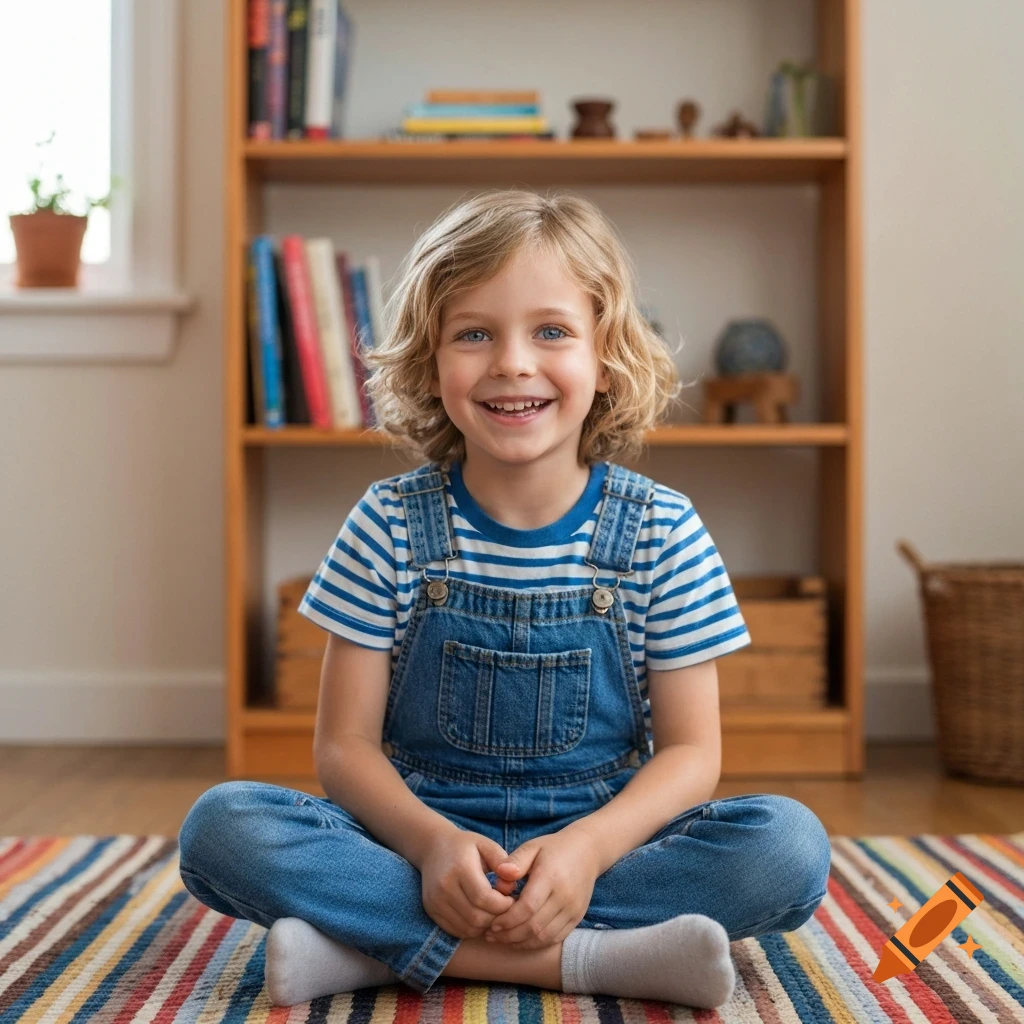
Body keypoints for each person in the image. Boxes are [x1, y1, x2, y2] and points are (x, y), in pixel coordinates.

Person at [177, 188, 831, 1010]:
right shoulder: (386, 523)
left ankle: (384, 949)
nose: (513, 362)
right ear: (430, 362)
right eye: (474, 333)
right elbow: (344, 748)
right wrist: (434, 846)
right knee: (223, 828)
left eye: (551, 331)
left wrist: (587, 852)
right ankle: (595, 960)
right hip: (413, 840)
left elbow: (691, 756)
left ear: (607, 358)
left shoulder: (665, 529)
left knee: (787, 849)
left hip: (601, 840)